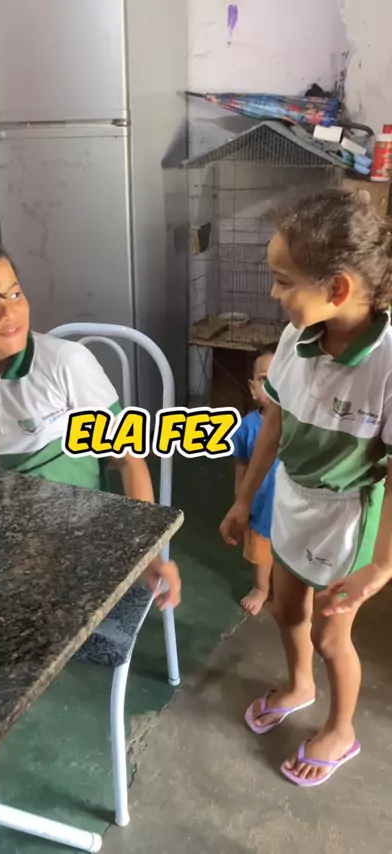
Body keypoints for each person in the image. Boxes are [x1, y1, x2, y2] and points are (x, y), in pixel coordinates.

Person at [220, 188, 392, 787]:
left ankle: (341, 730)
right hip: (292, 498)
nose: (274, 294)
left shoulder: (387, 364)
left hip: (347, 519)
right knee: (286, 607)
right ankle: (298, 686)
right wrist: (245, 499)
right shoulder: (298, 339)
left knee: (329, 635)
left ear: (337, 288)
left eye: (283, 281)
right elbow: (274, 421)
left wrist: (380, 566)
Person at [0, 234, 181, 610]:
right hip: (13, 542)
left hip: (85, 532)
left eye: (14, 294)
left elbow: (128, 459)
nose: (9, 313)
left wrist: (149, 551)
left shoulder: (66, 364)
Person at [232, 346, 278, 615]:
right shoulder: (247, 427)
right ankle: (261, 589)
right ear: (252, 388)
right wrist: (241, 500)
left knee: (293, 558)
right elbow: (241, 464)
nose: (273, 387)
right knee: (261, 554)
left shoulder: (301, 426)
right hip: (260, 508)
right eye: (264, 379)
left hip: (294, 512)